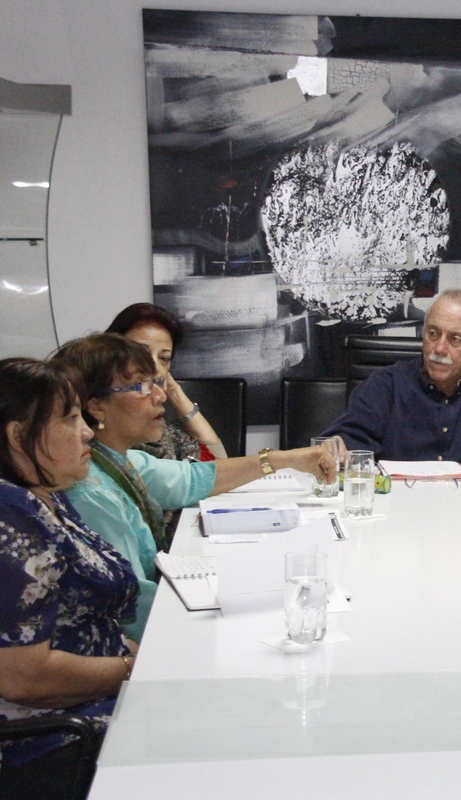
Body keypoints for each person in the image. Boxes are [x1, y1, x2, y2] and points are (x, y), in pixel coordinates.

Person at [50, 334, 334, 641]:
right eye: (141, 387)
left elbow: (192, 479)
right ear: (96, 406)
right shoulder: (94, 494)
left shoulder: (116, 460)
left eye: (156, 383)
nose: (160, 396)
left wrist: (284, 459)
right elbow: (133, 604)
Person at [0, 358, 138, 797]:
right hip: (50, 739)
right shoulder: (11, 519)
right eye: (70, 418)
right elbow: (25, 680)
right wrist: (133, 669)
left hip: (97, 700)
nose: (88, 432)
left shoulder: (46, 496)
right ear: (18, 435)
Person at [323, 289, 461, 463]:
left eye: (455, 338)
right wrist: (338, 446)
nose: (439, 348)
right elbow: (349, 439)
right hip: (401, 499)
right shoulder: (386, 385)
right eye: (433, 333)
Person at [107, 302, 228, 537]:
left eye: (164, 358)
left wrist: (173, 391)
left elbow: (214, 460)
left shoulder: (159, 427)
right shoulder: (113, 430)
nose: (154, 367)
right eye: (141, 353)